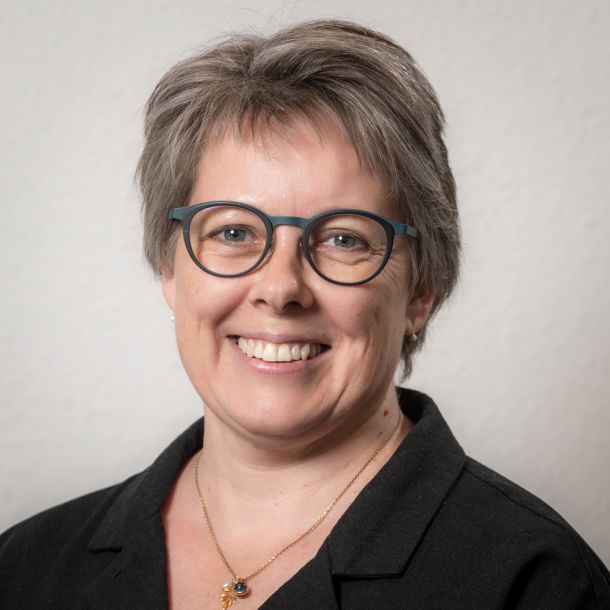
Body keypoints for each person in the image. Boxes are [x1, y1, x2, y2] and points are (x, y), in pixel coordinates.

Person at [0, 18, 608, 610]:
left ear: (420, 289)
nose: (281, 288)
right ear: (171, 268)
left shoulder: (538, 583)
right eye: (233, 232)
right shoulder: (25, 566)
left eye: (343, 239)